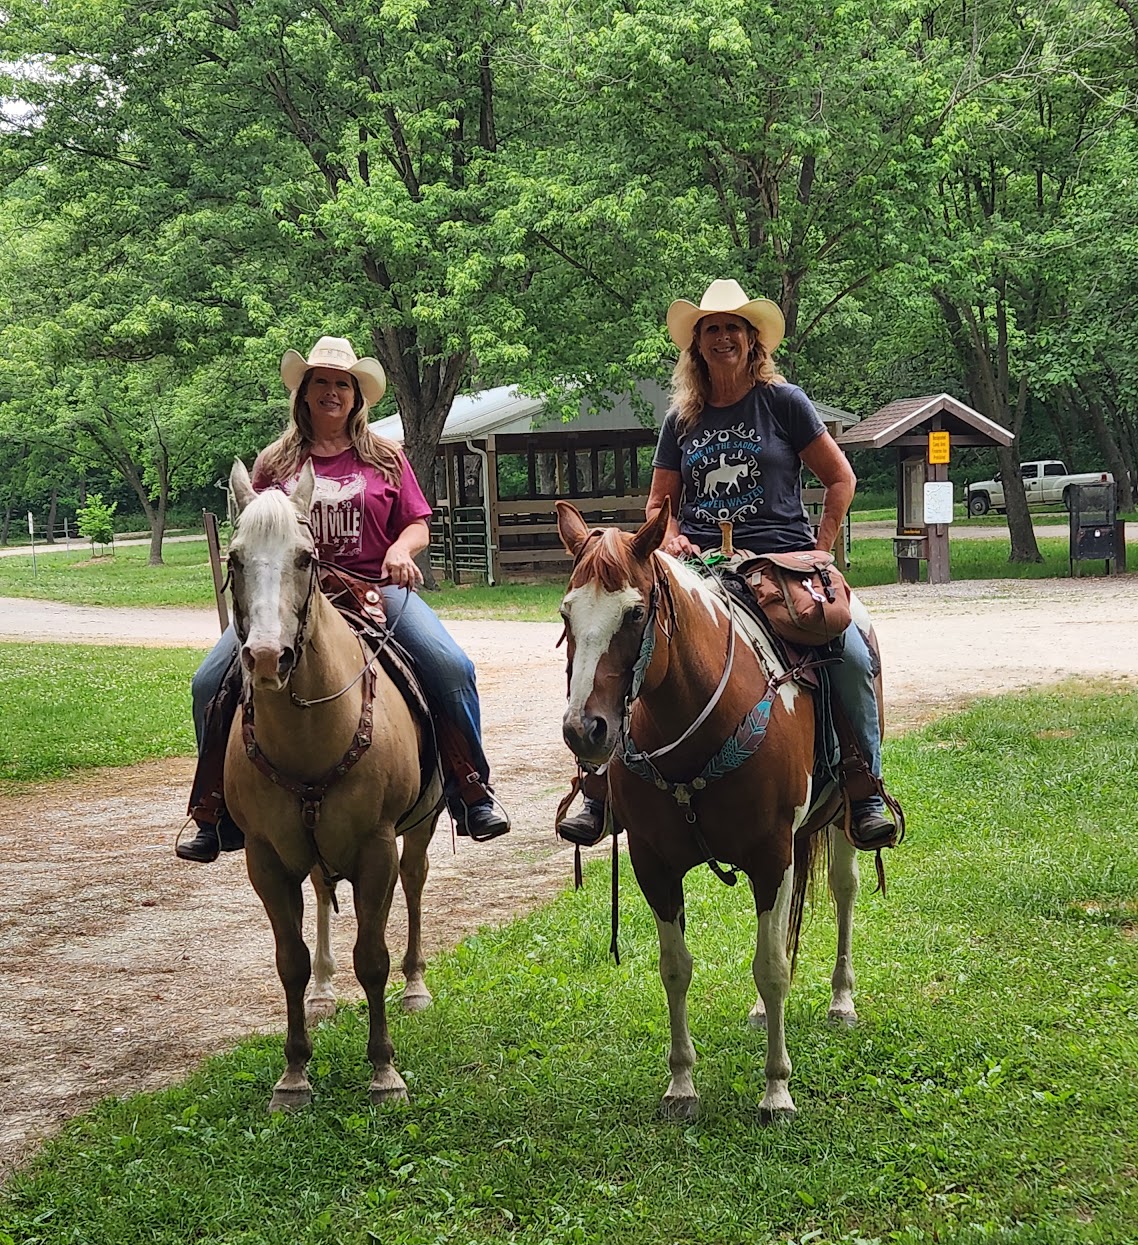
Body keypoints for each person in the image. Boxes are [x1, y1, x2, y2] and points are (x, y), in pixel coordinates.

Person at [558, 278, 894, 849]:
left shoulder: (783, 404)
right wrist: (671, 543)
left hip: (780, 560)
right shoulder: (680, 420)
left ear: (751, 339)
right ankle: (600, 786)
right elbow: (658, 506)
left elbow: (841, 478)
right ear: (697, 345)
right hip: (700, 565)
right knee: (612, 636)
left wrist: (822, 547)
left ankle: (863, 788)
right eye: (710, 329)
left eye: (732, 328)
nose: (722, 338)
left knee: (854, 643)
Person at [176, 336, 509, 861]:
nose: (332, 392)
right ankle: (214, 811)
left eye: (342, 385)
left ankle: (470, 789)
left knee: (450, 665)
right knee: (207, 683)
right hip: (289, 599)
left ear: (357, 397)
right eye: (321, 383)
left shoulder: (385, 457)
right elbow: (258, 535)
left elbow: (418, 523)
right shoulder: (274, 463)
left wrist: (402, 549)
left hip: (373, 589)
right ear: (304, 394)